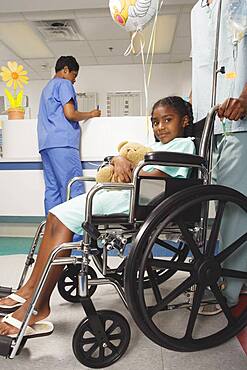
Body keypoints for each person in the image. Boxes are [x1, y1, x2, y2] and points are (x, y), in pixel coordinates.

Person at [0, 96, 195, 336]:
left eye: (167, 120)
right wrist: (119, 159)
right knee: (54, 215)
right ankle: (30, 288)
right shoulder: (156, 146)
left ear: (184, 121)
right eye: (155, 122)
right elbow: (136, 160)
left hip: (136, 203)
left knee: (62, 219)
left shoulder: (184, 145)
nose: (160, 127)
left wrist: (128, 165)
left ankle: (38, 304)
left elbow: (154, 175)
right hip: (122, 195)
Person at [191, 0, 247, 311]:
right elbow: (201, 65)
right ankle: (230, 274)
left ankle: (230, 288)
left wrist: (244, 96)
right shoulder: (197, 11)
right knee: (216, 205)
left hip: (239, 120)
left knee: (232, 207)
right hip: (207, 122)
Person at [38, 55, 101, 216]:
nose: (74, 80)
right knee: (73, 186)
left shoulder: (47, 88)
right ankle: (77, 238)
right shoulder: (64, 84)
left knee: (53, 190)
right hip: (63, 143)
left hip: (46, 145)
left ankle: (53, 232)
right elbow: (70, 114)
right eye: (74, 75)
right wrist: (91, 114)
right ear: (65, 70)